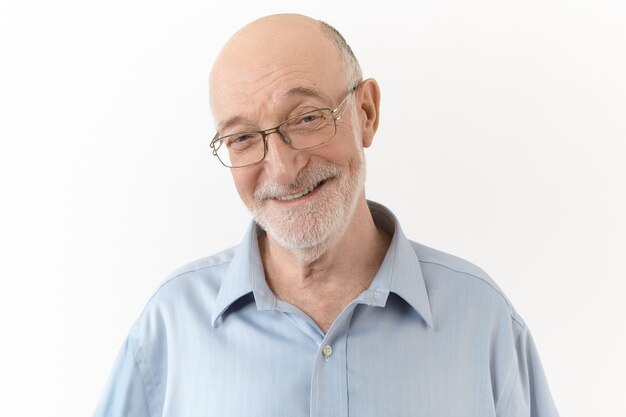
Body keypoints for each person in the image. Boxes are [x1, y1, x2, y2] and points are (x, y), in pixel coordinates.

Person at [94, 13, 559, 417]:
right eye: (242, 138)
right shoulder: (171, 325)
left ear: (366, 112)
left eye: (307, 118)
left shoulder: (482, 320)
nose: (281, 167)